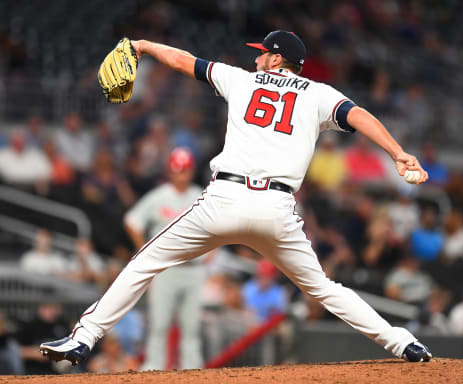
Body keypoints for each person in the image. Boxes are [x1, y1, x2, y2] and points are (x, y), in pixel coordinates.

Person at [40, 30, 432, 365]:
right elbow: (359, 114)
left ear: (277, 58)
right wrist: (398, 152)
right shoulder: (318, 93)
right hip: (276, 210)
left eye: (262, 52)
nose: (257, 57)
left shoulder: (241, 80)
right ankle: (403, 343)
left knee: (146, 261)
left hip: (224, 199)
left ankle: (83, 337)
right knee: (324, 289)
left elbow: (183, 60)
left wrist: (142, 44)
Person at [124, 147, 206, 370]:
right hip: (166, 269)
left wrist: (213, 250)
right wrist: (145, 251)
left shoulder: (200, 196)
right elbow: (132, 221)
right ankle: (153, 367)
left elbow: (217, 226)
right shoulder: (160, 196)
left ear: (191, 171)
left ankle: (193, 369)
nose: (182, 175)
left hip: (194, 269)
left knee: (191, 326)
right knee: (160, 323)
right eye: (177, 170)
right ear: (170, 171)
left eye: (185, 170)